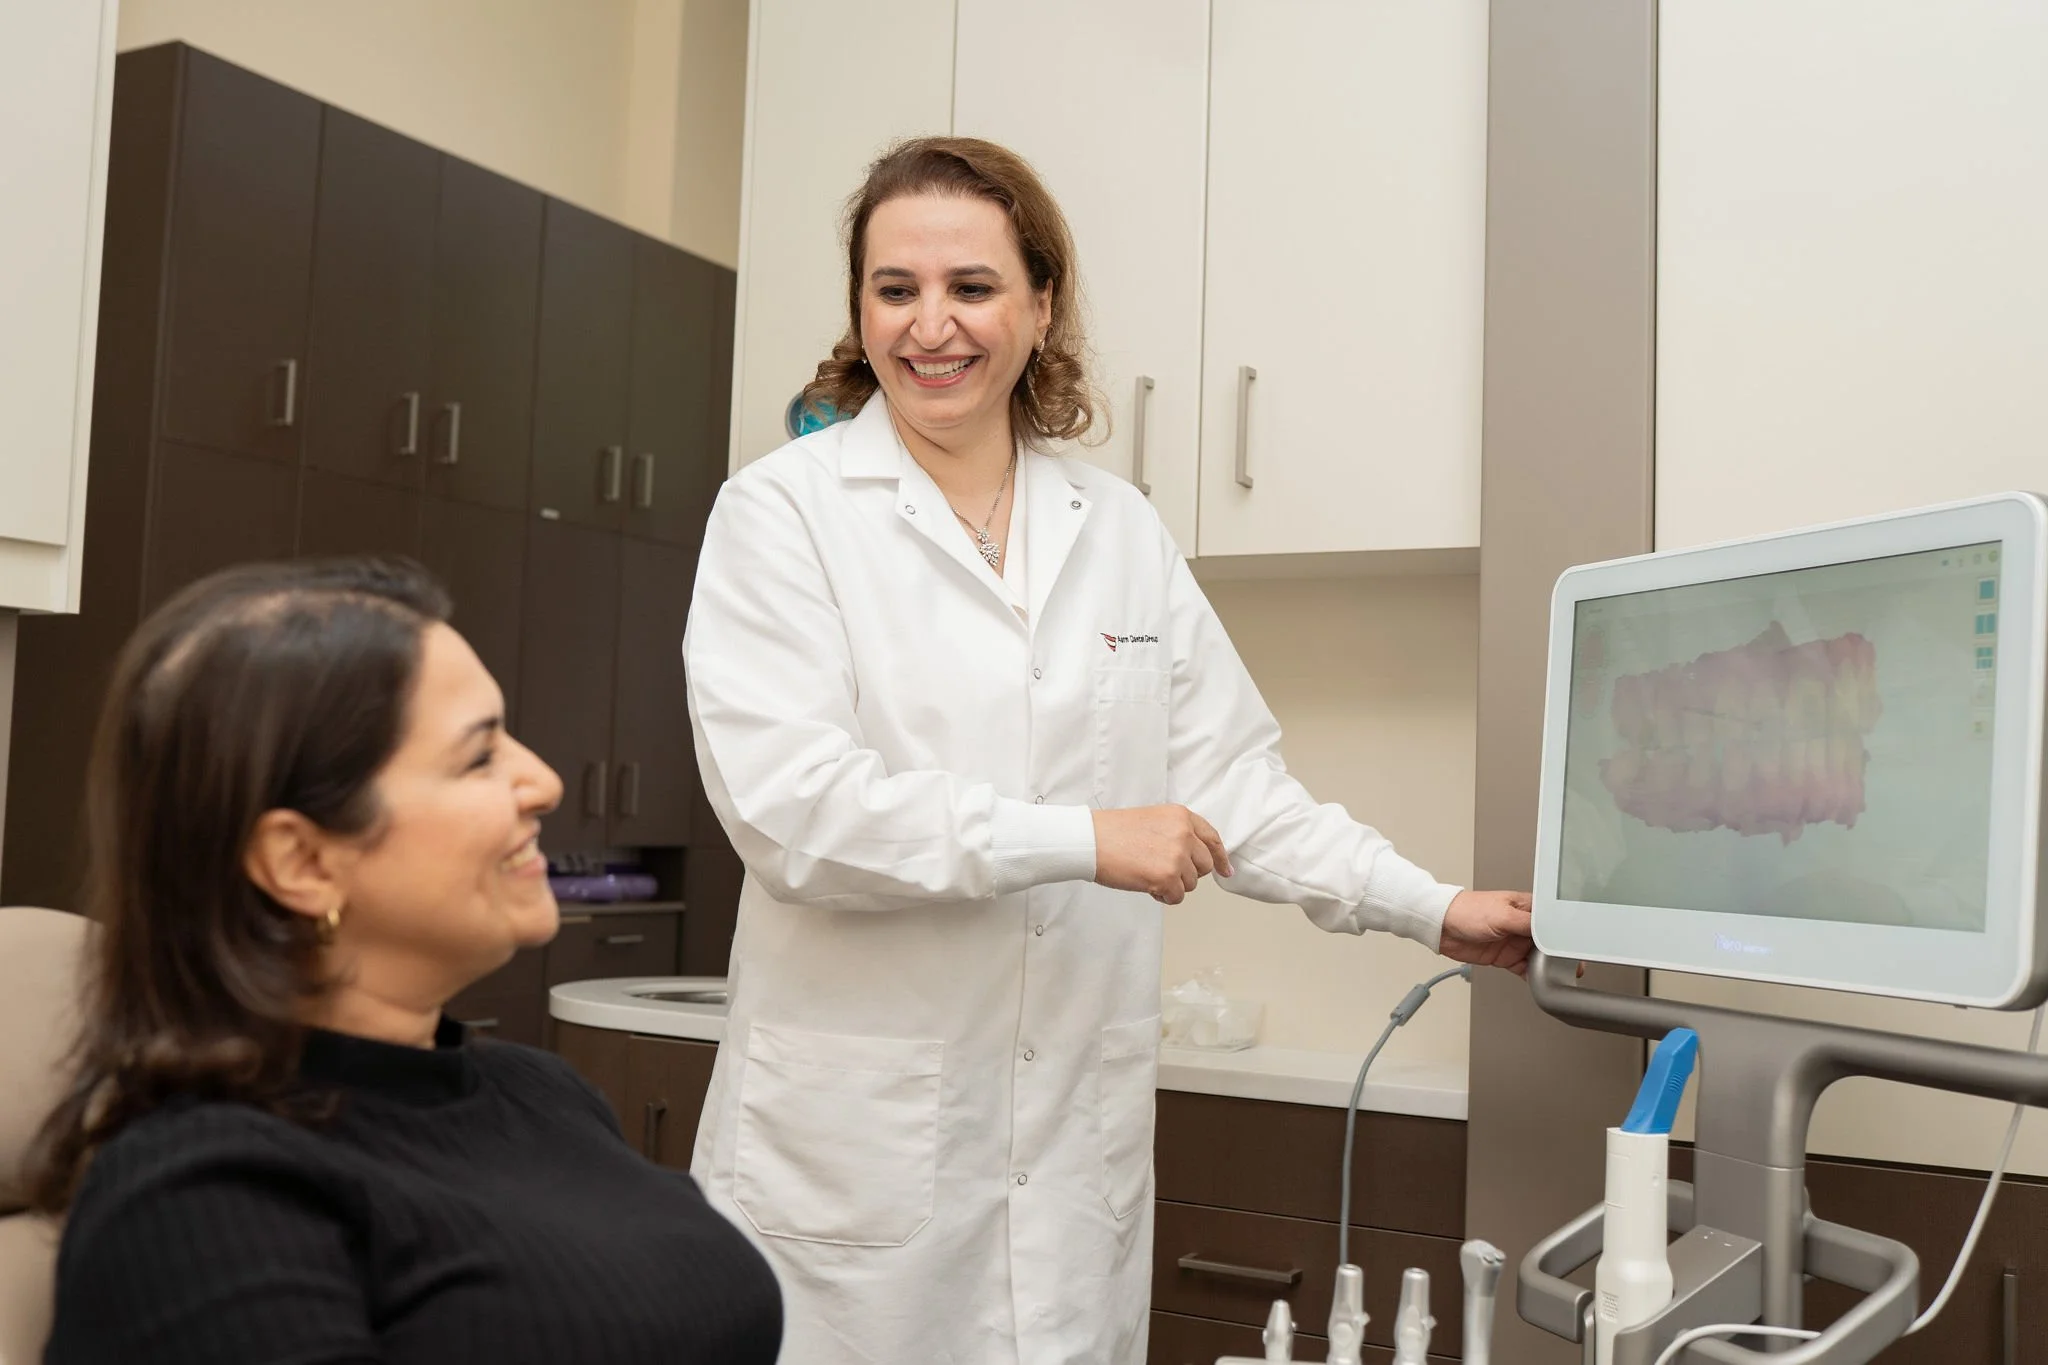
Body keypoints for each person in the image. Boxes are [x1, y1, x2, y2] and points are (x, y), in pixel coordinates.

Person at [682, 135, 1533, 1364]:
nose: (932, 326)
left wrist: (1431, 908)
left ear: (1038, 306)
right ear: (858, 312)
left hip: (1066, 1165)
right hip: (852, 1173)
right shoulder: (784, 513)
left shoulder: (1118, 529)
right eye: (894, 289)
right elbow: (797, 814)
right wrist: (1081, 839)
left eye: (971, 288)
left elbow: (1234, 783)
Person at [29, 559, 783, 1365]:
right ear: (302, 861)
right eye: (479, 756)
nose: (547, 782)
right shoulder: (200, 1197)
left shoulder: (543, 1094)